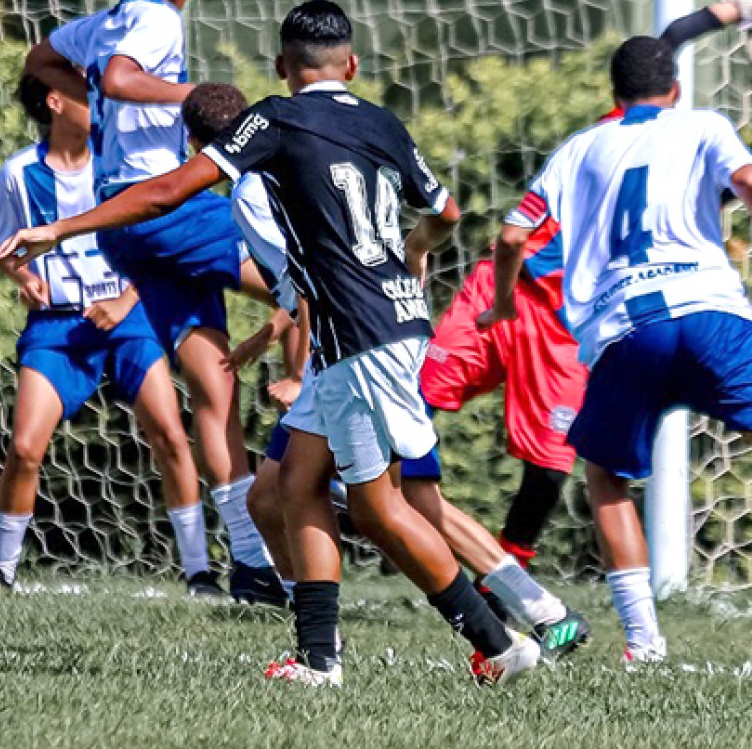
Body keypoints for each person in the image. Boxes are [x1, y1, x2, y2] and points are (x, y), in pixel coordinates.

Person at [0, 0, 541, 687]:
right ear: (353, 65)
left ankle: (497, 645)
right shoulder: (380, 120)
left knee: (378, 509)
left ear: (282, 68)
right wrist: (413, 252)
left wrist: (60, 229)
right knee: (287, 484)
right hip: (395, 320)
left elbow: (167, 190)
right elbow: (447, 213)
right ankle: (319, 659)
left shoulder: (275, 119)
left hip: (354, 334)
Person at [481, 35, 752, 667]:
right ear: (675, 90)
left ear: (614, 95)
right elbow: (748, 176)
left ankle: (644, 644)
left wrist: (502, 305)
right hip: (711, 312)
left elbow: (510, 237)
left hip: (624, 329)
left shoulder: (580, 147)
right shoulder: (702, 124)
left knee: (606, 477)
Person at [421, 0, 752, 576]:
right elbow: (674, 38)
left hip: (560, 321)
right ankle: (338, 502)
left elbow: (741, 173)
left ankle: (507, 584)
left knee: (550, 465)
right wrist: (751, 15)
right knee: (409, 403)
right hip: (498, 289)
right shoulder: (617, 132)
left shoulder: (676, 164)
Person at [182, 83, 590, 660]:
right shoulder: (310, 147)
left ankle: (521, 624)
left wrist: (298, 368)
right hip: (382, 329)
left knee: (396, 505)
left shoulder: (252, 187)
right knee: (278, 496)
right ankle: (324, 641)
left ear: (196, 142)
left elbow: (310, 279)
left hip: (351, 349)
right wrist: (271, 334)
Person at [24, 0, 284, 605]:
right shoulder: (156, 19)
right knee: (307, 283)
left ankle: (252, 567)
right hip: (163, 204)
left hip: (124, 223)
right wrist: (188, 95)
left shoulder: (97, 23)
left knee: (213, 384)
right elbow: (117, 77)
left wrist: (110, 103)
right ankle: (336, 459)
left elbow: (41, 60)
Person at [0, 74, 211, 595]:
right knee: (25, 447)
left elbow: (159, 246)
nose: (98, 104)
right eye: (86, 95)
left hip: (130, 314)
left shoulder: (121, 164)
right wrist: (25, 279)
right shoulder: (19, 173)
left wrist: (125, 300)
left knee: (169, 432)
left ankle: (201, 573)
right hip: (58, 328)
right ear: (56, 103)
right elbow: (8, 253)